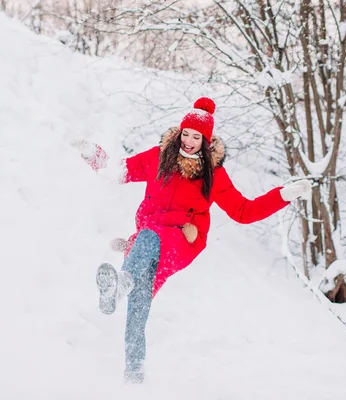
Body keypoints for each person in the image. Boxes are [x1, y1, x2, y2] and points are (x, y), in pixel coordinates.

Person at [77, 97, 312, 384]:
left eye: (196, 136)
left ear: (206, 139)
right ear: (179, 133)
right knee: (138, 307)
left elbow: (243, 211)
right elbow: (119, 172)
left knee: (150, 237)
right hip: (145, 244)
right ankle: (134, 377)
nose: (189, 141)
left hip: (181, 240)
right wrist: (91, 153)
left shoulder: (212, 175)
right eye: (186, 134)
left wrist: (283, 196)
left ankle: (118, 288)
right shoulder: (159, 158)